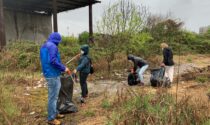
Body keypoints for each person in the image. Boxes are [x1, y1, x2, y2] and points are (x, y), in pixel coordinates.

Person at [40, 32, 71, 125]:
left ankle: (55, 113)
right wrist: (64, 68)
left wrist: (60, 67)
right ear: (57, 40)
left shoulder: (44, 46)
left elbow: (46, 61)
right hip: (53, 75)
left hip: (48, 73)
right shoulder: (53, 46)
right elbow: (53, 61)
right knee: (53, 97)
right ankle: (51, 119)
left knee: (54, 96)